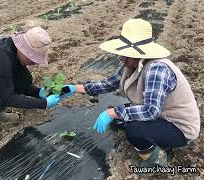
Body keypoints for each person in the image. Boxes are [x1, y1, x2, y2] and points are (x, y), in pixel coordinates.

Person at [64, 19, 200, 173]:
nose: (120, 57)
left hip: (179, 127)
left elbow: (150, 111)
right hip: (162, 115)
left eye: (123, 53)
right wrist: (73, 88)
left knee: (135, 130)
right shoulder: (132, 65)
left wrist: (112, 112)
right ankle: (155, 138)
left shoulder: (157, 69)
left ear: (134, 54)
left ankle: (156, 161)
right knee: (122, 115)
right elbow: (108, 83)